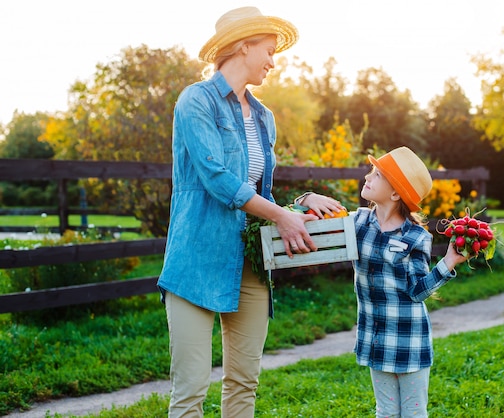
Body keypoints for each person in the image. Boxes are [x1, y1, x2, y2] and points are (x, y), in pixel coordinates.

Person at [156, 7, 339, 417]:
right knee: (190, 389)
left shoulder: (263, 117)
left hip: (248, 265)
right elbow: (218, 179)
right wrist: (281, 215)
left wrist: (298, 204)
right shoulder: (195, 101)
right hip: (195, 260)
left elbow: (259, 196)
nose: (274, 62)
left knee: (244, 382)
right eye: (269, 51)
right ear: (244, 46)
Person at [298, 146, 468, 417]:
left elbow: (417, 291)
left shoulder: (416, 237)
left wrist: (448, 262)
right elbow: (309, 221)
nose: (367, 177)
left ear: (395, 193)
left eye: (377, 174)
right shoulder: (357, 223)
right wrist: (308, 198)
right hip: (376, 336)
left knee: (413, 413)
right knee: (386, 411)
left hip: (408, 339)